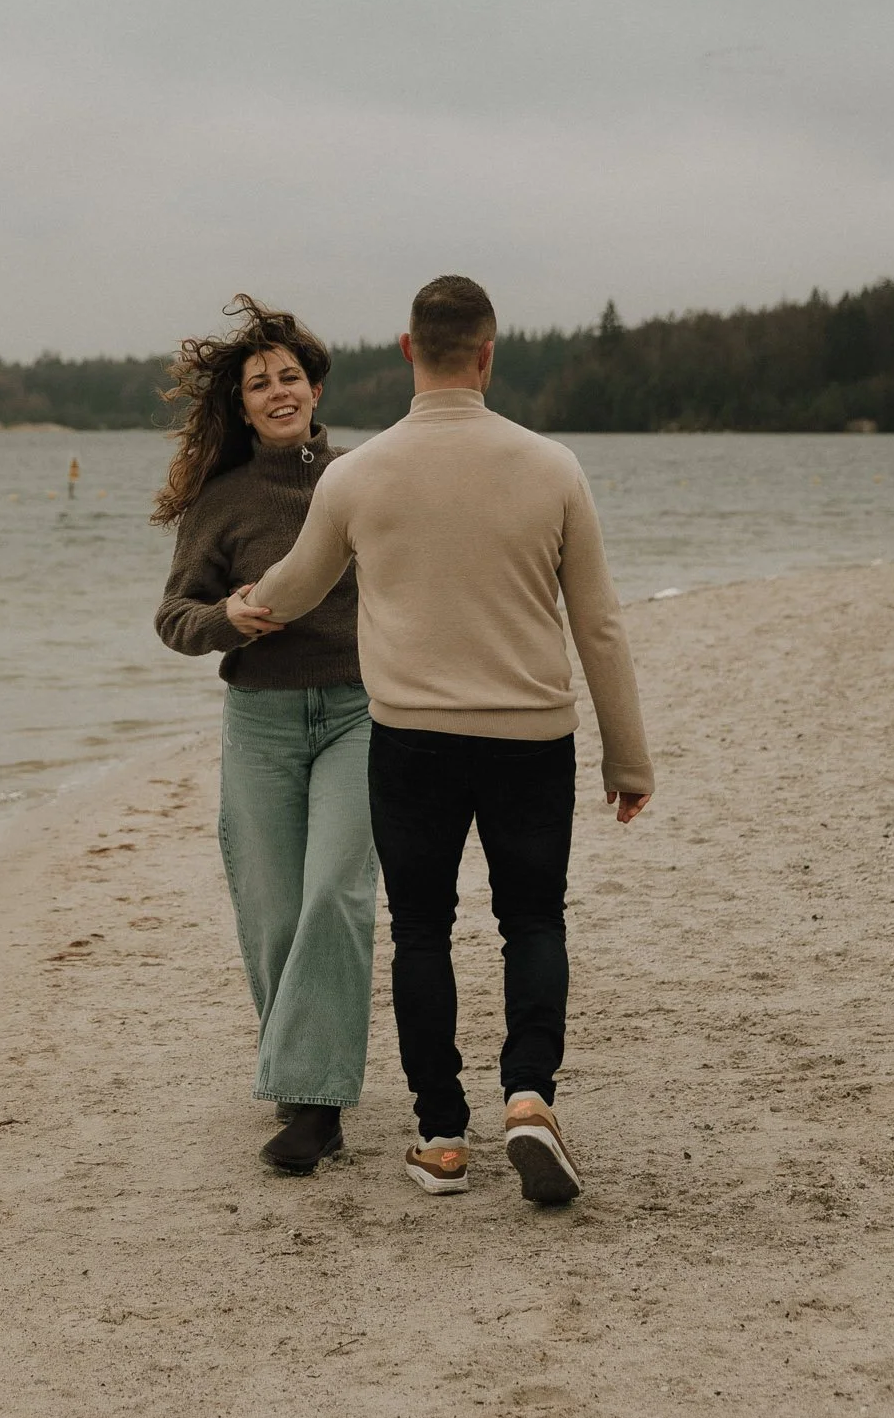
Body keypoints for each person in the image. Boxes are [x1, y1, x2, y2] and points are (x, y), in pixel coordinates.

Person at [244, 275, 653, 1206]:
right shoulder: (552, 467)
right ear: (487, 352)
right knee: (533, 921)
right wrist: (627, 758)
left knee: (423, 930)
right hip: (531, 738)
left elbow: (297, 586)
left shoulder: (357, 473)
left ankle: (438, 1136)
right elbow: (598, 625)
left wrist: (231, 609)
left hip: (411, 741)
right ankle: (527, 1098)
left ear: (404, 351)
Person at [154, 295, 377, 1177]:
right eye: (259, 384)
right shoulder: (223, 501)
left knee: (335, 894)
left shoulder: (365, 479)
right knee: (274, 911)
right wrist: (229, 617)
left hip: (362, 712)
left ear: (315, 388)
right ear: (240, 405)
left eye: (290, 376)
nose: (278, 391)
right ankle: (299, 1074)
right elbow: (173, 617)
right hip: (261, 722)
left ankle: (316, 1106)